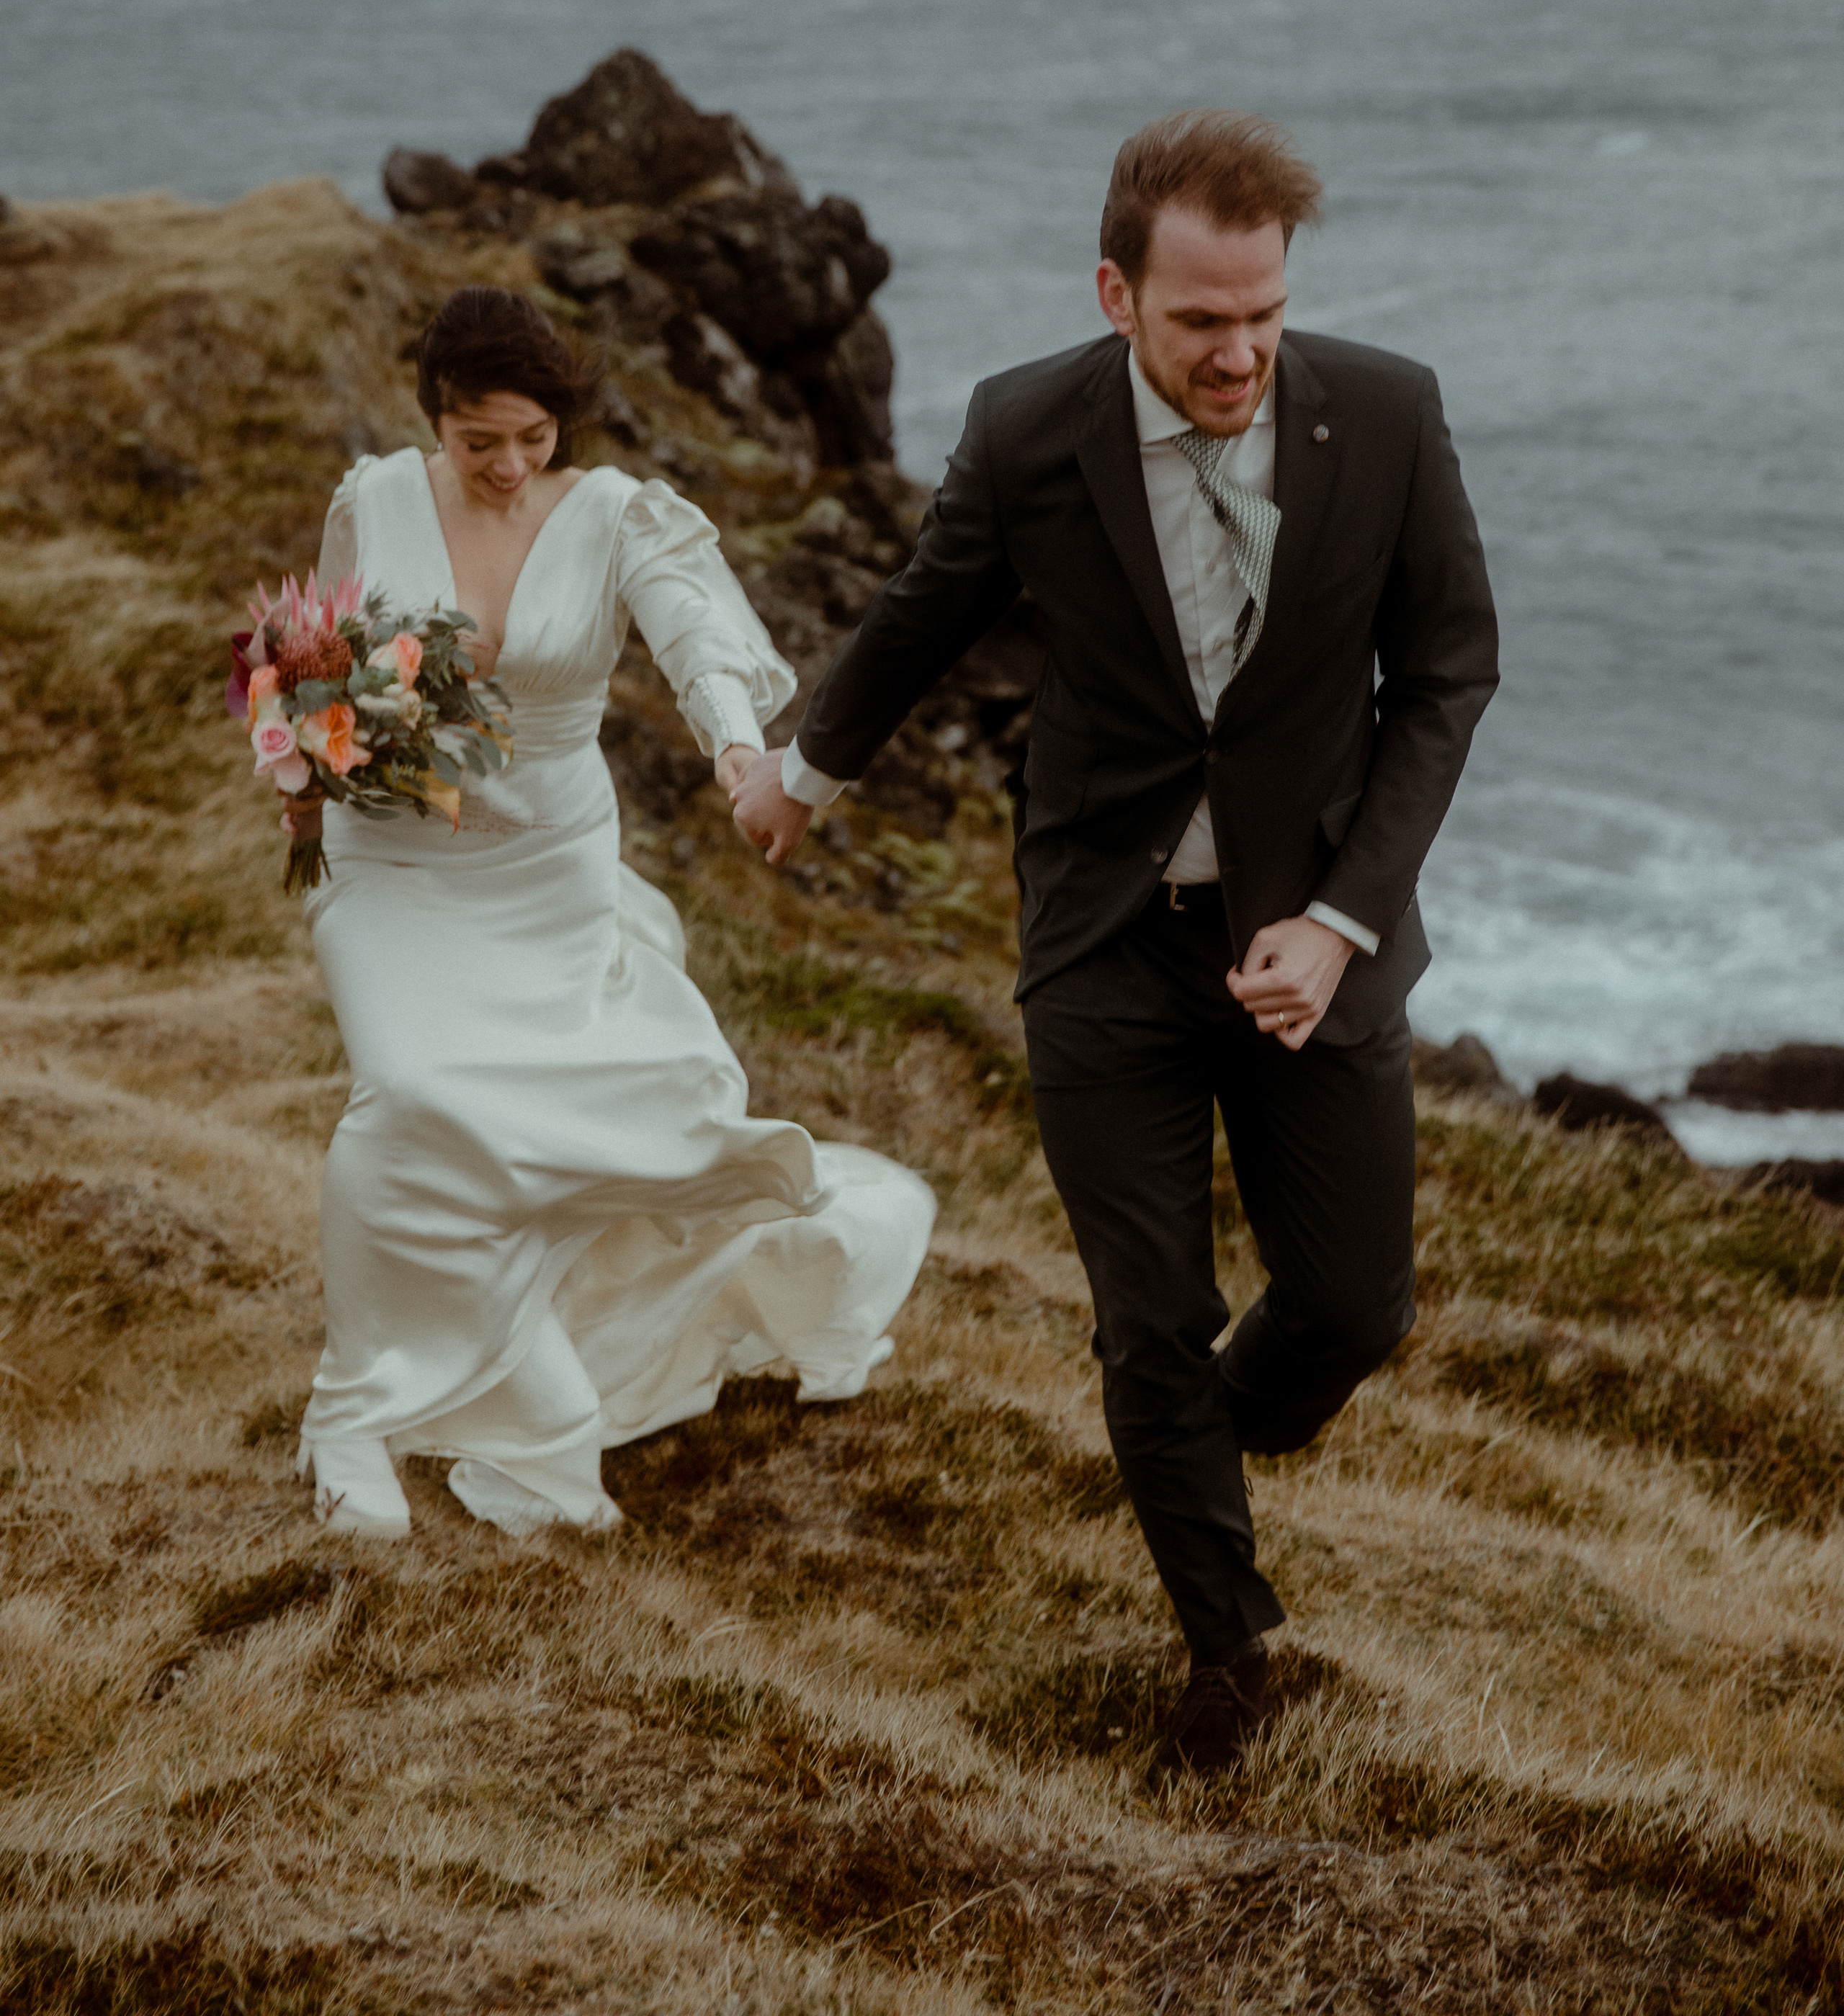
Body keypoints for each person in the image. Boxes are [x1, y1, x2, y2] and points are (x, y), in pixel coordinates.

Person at [730, 111, 1498, 1771]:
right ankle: (1229, 1655)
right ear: (1114, 294)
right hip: (1102, 937)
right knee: (1143, 1318)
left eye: (1262, 316)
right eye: (1199, 321)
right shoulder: (1023, 430)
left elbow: (1443, 678)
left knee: (1352, 1310)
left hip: (1316, 941)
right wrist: (801, 775)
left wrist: (1342, 918)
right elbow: (923, 609)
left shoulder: (1384, 412)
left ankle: (1191, 1444)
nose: (1238, 355)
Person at [295, 285, 934, 1541]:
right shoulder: (371, 501)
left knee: (565, 1125)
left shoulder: (612, 513)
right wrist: (309, 767)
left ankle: (520, 1375)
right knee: (408, 1100)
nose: (509, 465)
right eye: (481, 440)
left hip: (546, 874)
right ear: (437, 418)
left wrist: (740, 752)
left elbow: (694, 630)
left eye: (534, 437)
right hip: (389, 862)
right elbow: (323, 665)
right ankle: (352, 1419)